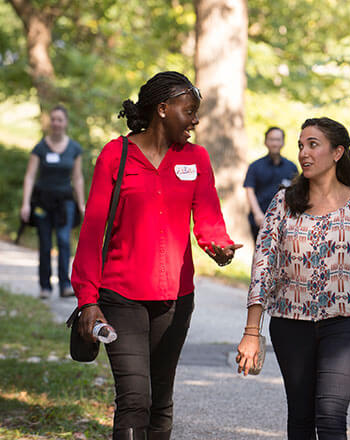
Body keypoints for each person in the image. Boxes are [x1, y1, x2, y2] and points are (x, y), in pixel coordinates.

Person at [71, 71, 242, 440]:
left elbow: (209, 220)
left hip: (176, 300)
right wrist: (87, 300)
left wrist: (219, 246)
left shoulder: (196, 158)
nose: (196, 120)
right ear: (163, 109)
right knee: (135, 399)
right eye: (190, 110)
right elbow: (92, 232)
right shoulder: (115, 155)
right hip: (120, 297)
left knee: (161, 399)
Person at [236, 117, 350, 439]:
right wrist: (252, 331)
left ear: (337, 153)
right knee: (301, 418)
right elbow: (263, 264)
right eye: (301, 146)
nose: (304, 153)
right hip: (291, 324)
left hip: (346, 326)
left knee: (332, 416)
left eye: (313, 145)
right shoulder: (284, 202)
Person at [20, 105, 85, 299]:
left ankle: (65, 285)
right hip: (42, 203)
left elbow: (78, 177)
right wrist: (25, 203)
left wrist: (81, 203)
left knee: (64, 242)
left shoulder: (74, 148)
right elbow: (30, 176)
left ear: (65, 123)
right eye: (53, 119)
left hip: (65, 203)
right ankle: (45, 286)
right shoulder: (40, 147)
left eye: (60, 119)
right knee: (45, 243)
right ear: (50, 122)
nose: (56, 123)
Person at [243, 126, 298, 242]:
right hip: (259, 221)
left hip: (284, 222)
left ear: (283, 142)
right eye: (272, 139)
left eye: (278, 140)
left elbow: (296, 193)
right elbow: (249, 190)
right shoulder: (255, 166)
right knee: (261, 256)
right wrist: (257, 214)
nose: (275, 143)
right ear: (265, 142)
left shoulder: (292, 167)